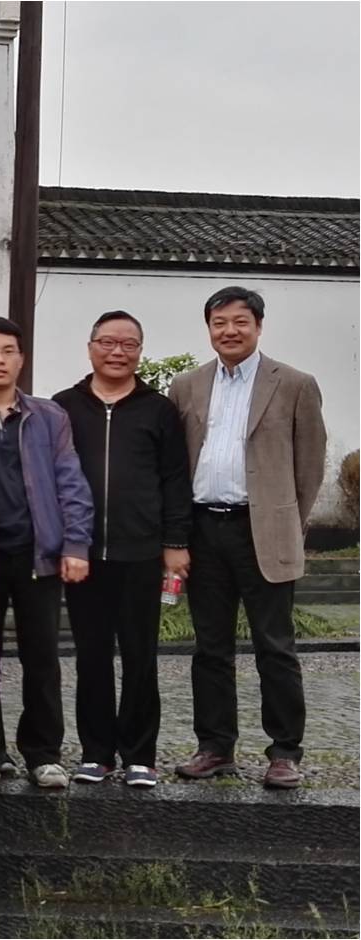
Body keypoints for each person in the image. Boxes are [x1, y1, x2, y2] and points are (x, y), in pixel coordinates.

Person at [169, 287, 326, 790]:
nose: (229, 331)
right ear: (209, 328)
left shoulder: (294, 384)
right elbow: (176, 464)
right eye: (219, 322)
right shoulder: (187, 385)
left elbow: (310, 466)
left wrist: (287, 524)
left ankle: (285, 752)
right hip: (203, 529)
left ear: (258, 326)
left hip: (264, 532)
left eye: (240, 322)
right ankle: (215, 747)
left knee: (275, 646)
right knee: (209, 647)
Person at [52, 311, 192, 788]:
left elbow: (175, 480)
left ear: (140, 351)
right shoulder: (63, 407)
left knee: (140, 656)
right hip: (83, 555)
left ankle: (140, 755)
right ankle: (96, 753)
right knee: (90, 656)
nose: (117, 352)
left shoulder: (158, 410)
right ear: (91, 346)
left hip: (142, 552)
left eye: (129, 344)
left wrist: (175, 542)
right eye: (108, 342)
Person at [0, 317, 94, 789]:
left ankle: (43, 752)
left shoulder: (49, 416)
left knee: (42, 657)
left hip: (38, 554)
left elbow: (71, 482)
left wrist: (75, 543)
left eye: (8, 351)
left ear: (21, 359)